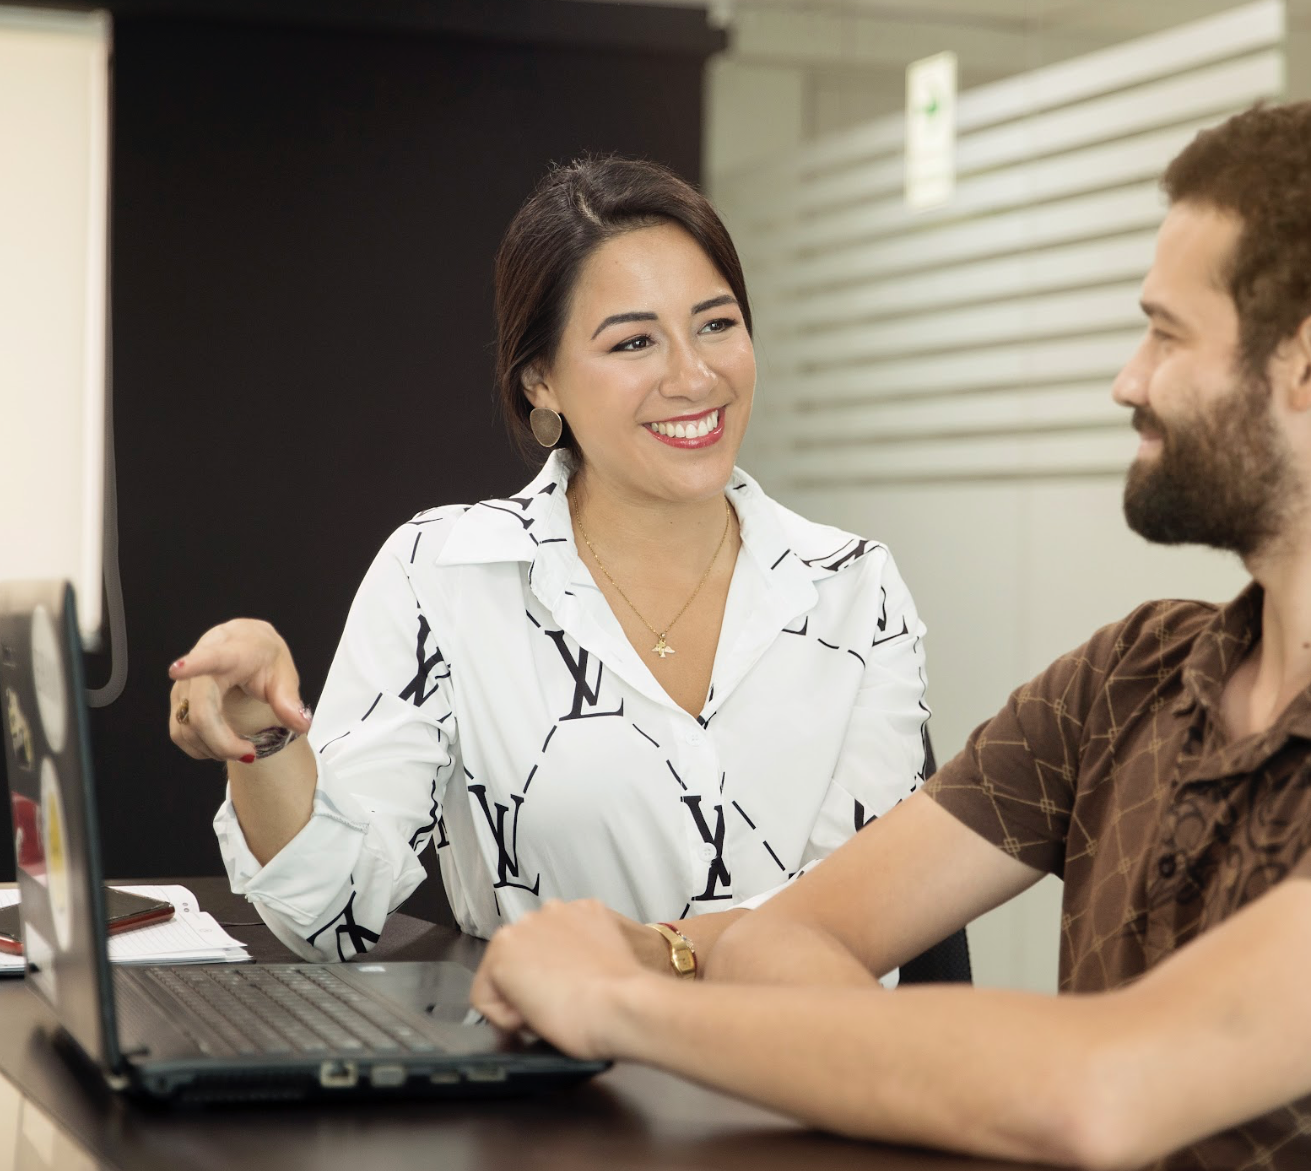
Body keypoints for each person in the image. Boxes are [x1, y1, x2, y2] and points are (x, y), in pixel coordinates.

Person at [466, 98, 1311, 1171]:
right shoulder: (1132, 676)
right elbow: (793, 936)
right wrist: (929, 1074)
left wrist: (616, 1006)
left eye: (1165, 334)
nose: (1125, 379)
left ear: (1309, 364)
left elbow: (1104, 1092)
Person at [165, 156, 931, 972]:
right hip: (560, 1086)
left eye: (717, 324)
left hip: (810, 1080)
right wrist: (264, 734)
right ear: (541, 380)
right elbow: (330, 915)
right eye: (634, 341)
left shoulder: (854, 588)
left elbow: (871, 906)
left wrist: (657, 957)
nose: (694, 374)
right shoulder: (447, 576)